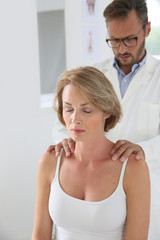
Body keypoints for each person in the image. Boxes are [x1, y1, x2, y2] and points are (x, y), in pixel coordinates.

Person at [49, 1, 160, 238]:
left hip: (149, 196)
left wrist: (144, 149)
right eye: (114, 40)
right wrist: (66, 140)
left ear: (147, 30)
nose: (121, 49)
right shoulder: (94, 75)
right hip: (93, 192)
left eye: (130, 39)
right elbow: (64, 119)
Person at [32, 66, 150, 240]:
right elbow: (40, 235)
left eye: (86, 110)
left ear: (107, 111)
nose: (74, 120)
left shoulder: (132, 168)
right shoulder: (50, 162)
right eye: (69, 109)